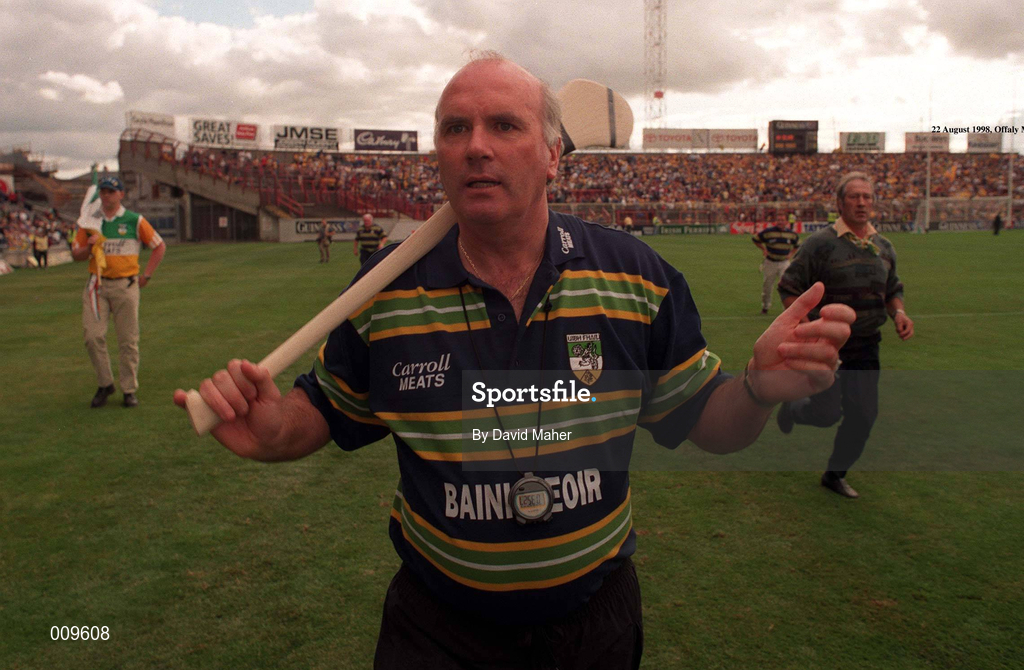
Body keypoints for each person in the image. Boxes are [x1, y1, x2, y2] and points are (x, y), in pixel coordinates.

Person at [175, 53, 854, 669]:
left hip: (595, 625)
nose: (475, 146)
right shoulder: (382, 293)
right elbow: (322, 410)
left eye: (504, 126)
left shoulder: (636, 277)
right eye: (454, 129)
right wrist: (272, 429)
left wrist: (760, 388)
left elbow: (709, 420)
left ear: (553, 155)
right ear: (437, 155)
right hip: (437, 631)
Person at [776, 171, 914, 499]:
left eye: (867, 196)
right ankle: (794, 408)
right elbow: (789, 287)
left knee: (864, 416)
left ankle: (835, 474)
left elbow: (893, 288)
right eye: (854, 196)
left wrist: (899, 312)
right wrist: (809, 331)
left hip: (867, 347)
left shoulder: (883, 246)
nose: (862, 202)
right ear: (840, 203)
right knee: (826, 414)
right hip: (828, 345)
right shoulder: (820, 244)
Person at [73, 176, 166, 408]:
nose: (106, 196)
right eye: (103, 192)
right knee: (93, 337)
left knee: (128, 340)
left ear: (121, 194)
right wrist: (90, 245)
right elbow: (76, 255)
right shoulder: (89, 222)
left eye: (111, 192)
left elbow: (159, 245)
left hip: (126, 286)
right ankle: (105, 383)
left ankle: (129, 389)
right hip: (97, 285)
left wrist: (147, 275)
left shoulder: (134, 220)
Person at [752, 220, 799, 314]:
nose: (780, 222)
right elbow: (755, 239)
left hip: (784, 262)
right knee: (767, 286)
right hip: (770, 262)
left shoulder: (791, 234)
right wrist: (763, 249)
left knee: (787, 286)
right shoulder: (768, 232)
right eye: (778, 220)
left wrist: (791, 254)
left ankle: (787, 309)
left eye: (782, 220)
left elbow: (797, 245)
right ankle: (765, 306)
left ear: (786, 222)